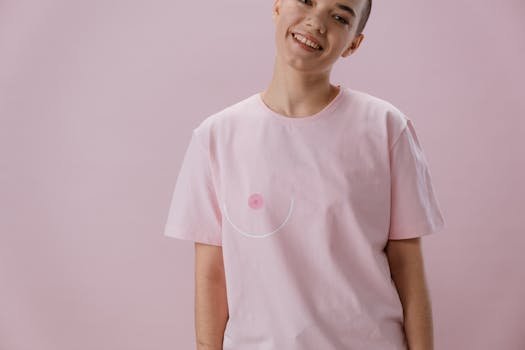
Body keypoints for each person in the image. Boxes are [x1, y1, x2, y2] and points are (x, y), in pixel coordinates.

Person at [163, 0, 446, 349]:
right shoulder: (216, 137)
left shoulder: (386, 128)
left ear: (354, 43)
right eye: (307, 1)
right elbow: (212, 275)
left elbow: (407, 267)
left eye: (339, 16)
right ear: (278, 6)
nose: (316, 22)